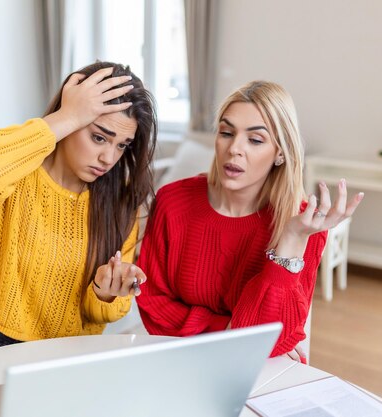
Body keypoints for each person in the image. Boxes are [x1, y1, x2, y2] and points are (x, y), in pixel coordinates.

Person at [136, 80, 364, 361]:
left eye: (255, 140)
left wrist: (290, 239)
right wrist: (230, 330)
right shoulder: (172, 202)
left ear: (281, 152)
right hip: (183, 357)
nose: (234, 149)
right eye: (226, 133)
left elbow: (275, 339)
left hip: (260, 368)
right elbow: (153, 305)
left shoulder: (302, 223)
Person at [0, 62, 156, 351]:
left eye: (122, 145)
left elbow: (106, 313)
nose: (108, 158)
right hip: (7, 346)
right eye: (99, 137)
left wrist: (105, 292)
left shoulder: (120, 201)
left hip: (80, 352)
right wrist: (67, 116)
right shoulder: (19, 176)